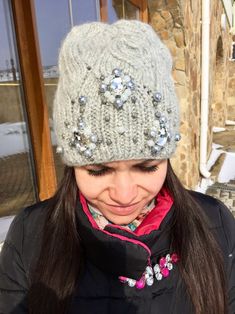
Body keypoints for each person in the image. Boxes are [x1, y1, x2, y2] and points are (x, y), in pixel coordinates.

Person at [0, 20, 234, 314]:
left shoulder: (216, 225)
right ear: (73, 166)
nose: (124, 195)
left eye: (147, 167)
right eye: (99, 171)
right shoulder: (30, 235)